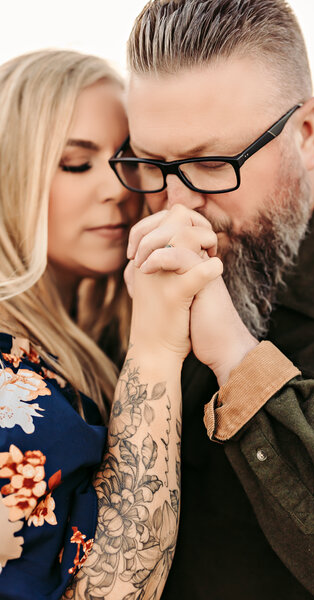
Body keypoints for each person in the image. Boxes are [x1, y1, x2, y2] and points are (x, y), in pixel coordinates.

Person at [109, 0, 314, 598]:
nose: (178, 207)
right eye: (153, 163)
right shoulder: (133, 231)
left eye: (212, 164)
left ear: (308, 132)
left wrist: (239, 361)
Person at [0, 49, 222, 600]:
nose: (117, 188)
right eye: (76, 162)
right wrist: (155, 349)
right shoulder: (9, 385)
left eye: (126, 161)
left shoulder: (78, 336)